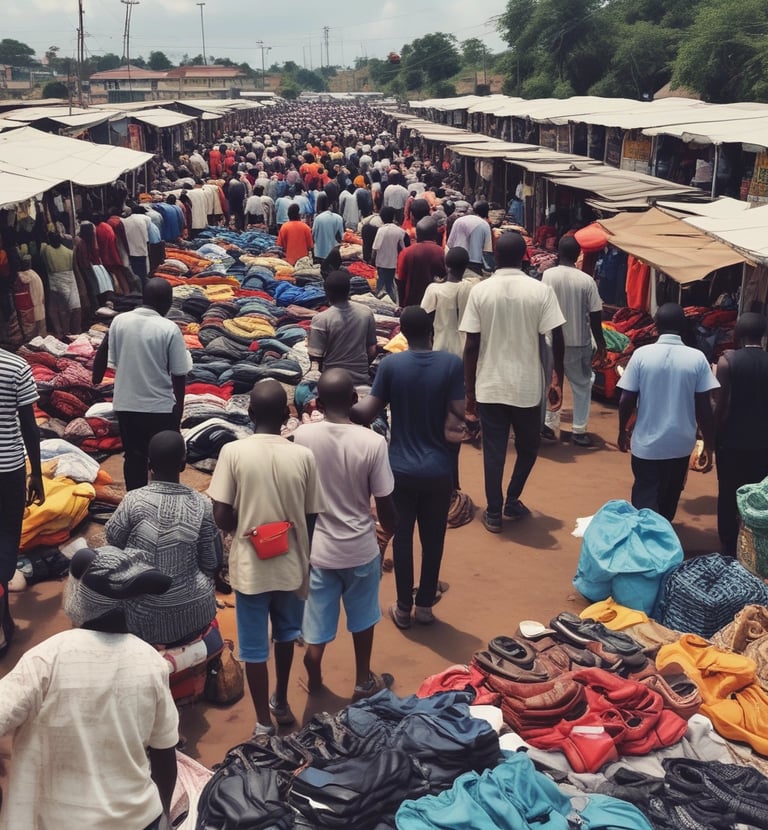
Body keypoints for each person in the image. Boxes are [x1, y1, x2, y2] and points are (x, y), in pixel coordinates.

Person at [0, 546, 178, 829]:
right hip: (139, 819)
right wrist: (165, 816)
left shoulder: (46, 658)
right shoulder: (151, 663)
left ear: (79, 597)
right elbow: (165, 752)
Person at [208, 380, 324, 736]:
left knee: (254, 647)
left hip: (250, 567)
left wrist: (247, 526)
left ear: (250, 413)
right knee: (286, 636)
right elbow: (311, 516)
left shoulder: (234, 452)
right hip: (291, 564)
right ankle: (282, 701)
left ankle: (261, 722)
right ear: (287, 415)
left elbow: (221, 515)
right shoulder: (303, 456)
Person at [352, 307, 464, 629]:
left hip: (399, 468)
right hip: (439, 468)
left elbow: (367, 412)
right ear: (431, 330)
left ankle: (403, 609)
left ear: (402, 331)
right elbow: (459, 413)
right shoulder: (451, 365)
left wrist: (340, 401)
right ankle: (425, 606)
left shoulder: (391, 365)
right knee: (434, 539)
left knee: (401, 538)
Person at [293, 369, 396, 699]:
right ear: (355, 400)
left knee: (318, 618)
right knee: (364, 617)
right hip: (360, 547)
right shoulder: (373, 442)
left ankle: (314, 663)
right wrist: (390, 531)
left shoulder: (305, 437)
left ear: (319, 403)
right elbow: (383, 500)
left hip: (320, 549)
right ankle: (362, 679)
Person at [461, 231, 566, 533]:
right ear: (524, 257)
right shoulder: (539, 291)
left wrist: (469, 393)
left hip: (490, 385)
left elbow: (471, 344)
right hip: (527, 386)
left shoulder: (481, 291)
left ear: (494, 254)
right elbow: (556, 335)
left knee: (493, 451)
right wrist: (557, 376)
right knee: (528, 447)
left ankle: (494, 512)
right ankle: (512, 499)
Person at [104, 430, 222, 645]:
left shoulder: (133, 500)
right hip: (193, 614)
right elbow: (211, 563)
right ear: (183, 465)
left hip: (140, 615)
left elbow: (113, 542)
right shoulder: (201, 504)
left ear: (149, 464)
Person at [618, 303, 719, 522]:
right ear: (683, 326)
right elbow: (704, 407)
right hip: (680, 444)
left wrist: (621, 431)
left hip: (646, 443)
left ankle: (647, 542)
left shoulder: (641, 355)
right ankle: (663, 536)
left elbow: (626, 399)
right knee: (669, 497)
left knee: (644, 496)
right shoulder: (697, 358)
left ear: (655, 326)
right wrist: (709, 446)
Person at [93, 278, 192, 491]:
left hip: (126, 405)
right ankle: (162, 501)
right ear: (167, 302)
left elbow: (105, 352)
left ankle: (134, 501)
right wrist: (179, 410)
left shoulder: (120, 321)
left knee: (134, 456)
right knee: (164, 459)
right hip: (159, 408)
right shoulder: (169, 328)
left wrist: (96, 378)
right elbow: (179, 374)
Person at [541, 236, 606, 446]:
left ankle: (550, 426)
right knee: (581, 386)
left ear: (559, 252)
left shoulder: (547, 276)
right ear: (578, 254)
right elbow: (596, 315)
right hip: (579, 341)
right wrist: (601, 344)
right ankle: (579, 430)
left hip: (552, 341)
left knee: (553, 382)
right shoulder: (586, 280)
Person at [0, 347, 44, 656]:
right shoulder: (15, 365)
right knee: (5, 539)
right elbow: (29, 426)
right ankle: (3, 620)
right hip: (9, 470)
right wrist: (37, 474)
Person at [713, 312, 768, 553]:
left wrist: (711, 437)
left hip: (732, 442)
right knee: (758, 495)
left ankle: (728, 543)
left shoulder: (728, 362)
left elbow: (722, 405)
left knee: (728, 492)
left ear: (738, 334)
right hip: (763, 443)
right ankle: (753, 545)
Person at [308, 270, 377, 385]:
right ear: (349, 290)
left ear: (326, 293)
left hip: (332, 382)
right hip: (361, 378)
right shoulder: (366, 312)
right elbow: (372, 350)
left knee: (301, 392)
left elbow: (315, 358)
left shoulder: (321, 319)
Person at [421, 245, 479, 358]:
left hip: (440, 346)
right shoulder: (472, 288)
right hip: (465, 350)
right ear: (466, 266)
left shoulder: (434, 289)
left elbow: (425, 317)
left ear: (446, 265)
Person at [396, 216, 447, 307]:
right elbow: (443, 276)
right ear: (435, 235)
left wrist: (401, 304)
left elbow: (401, 281)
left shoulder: (406, 253)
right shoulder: (440, 252)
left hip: (411, 302)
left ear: (417, 235)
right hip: (433, 302)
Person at [40, 231, 81, 338]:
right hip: (69, 280)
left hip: (54, 282)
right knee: (70, 308)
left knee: (56, 309)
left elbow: (42, 248)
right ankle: (71, 331)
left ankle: (61, 331)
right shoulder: (69, 252)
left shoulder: (46, 250)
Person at [371, 206, 408, 302]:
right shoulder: (399, 231)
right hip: (393, 263)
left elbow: (375, 248)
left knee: (381, 286)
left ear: (382, 218)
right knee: (390, 284)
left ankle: (380, 302)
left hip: (381, 263)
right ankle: (393, 302)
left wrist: (372, 260)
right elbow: (403, 248)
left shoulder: (381, 230)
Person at [447, 201, 494, 274]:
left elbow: (449, 243)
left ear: (473, 210)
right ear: (487, 211)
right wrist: (490, 268)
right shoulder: (485, 225)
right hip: (475, 264)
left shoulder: (459, 220)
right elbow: (487, 251)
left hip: (456, 261)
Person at [311, 193, 343, 263]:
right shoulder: (338, 218)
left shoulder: (318, 218)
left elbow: (313, 236)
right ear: (329, 205)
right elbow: (341, 237)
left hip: (319, 253)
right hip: (334, 252)